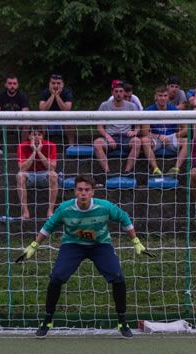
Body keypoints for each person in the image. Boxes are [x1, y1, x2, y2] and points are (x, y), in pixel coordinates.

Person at [17, 174, 150, 339]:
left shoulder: (105, 207)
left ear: (93, 192)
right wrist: (34, 245)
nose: (83, 193)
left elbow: (124, 218)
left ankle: (122, 321)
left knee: (118, 277)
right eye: (80, 190)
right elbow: (48, 226)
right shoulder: (65, 208)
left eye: (87, 190)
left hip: (100, 245)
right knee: (56, 277)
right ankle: (47, 320)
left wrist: (136, 241)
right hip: (73, 245)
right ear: (75, 191)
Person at [94, 81, 142, 175]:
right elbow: (99, 127)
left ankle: (127, 171)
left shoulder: (131, 106)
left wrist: (135, 132)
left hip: (126, 136)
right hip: (110, 136)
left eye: (121, 91)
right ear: (112, 92)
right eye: (116, 91)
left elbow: (138, 125)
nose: (119, 94)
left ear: (124, 92)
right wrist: (108, 137)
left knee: (137, 141)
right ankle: (107, 172)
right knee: (97, 143)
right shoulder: (104, 105)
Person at [141, 86, 188, 176]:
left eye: (165, 96)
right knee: (144, 140)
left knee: (188, 142)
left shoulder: (174, 110)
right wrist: (159, 136)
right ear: (156, 97)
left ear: (168, 97)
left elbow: (186, 129)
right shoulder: (149, 110)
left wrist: (175, 135)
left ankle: (175, 169)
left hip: (171, 137)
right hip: (156, 138)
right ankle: (155, 169)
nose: (163, 98)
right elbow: (145, 133)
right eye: (160, 95)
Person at [16, 127, 59, 219]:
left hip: (44, 175)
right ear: (29, 136)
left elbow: (52, 168)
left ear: (43, 136)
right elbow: (22, 168)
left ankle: (50, 211)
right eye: (34, 134)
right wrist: (33, 152)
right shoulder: (22, 146)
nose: (36, 137)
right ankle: (25, 212)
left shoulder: (51, 145)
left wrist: (39, 151)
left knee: (54, 175)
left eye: (39, 135)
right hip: (29, 175)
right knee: (19, 176)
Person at [0, 74, 30, 155]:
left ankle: (22, 148)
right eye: (10, 83)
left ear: (17, 85)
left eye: (14, 83)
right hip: (4, 122)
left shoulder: (22, 96)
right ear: (5, 84)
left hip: (18, 123)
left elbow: (26, 113)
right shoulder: (0, 96)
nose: (12, 86)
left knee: (27, 122)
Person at [38, 72, 75, 144]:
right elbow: (42, 109)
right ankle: (41, 145)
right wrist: (52, 95)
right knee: (39, 120)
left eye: (58, 83)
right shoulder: (45, 92)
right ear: (49, 84)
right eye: (53, 83)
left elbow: (66, 109)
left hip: (63, 119)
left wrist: (57, 95)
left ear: (62, 84)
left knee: (70, 121)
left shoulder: (67, 92)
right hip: (48, 119)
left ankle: (71, 145)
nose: (55, 85)